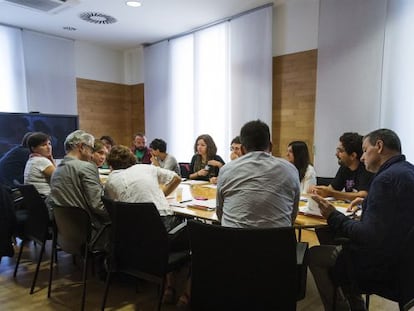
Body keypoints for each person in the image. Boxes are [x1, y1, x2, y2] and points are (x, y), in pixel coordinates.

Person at [308, 129, 414, 311]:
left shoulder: (385, 180)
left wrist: (333, 216)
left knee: (314, 255)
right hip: (406, 264)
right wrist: (367, 202)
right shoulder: (407, 171)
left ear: (379, 146)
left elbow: (368, 236)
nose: (363, 157)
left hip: (382, 266)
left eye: (365, 150)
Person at [104, 145, 186, 305]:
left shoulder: (110, 181)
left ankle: (167, 286)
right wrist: (161, 195)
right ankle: (180, 291)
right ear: (133, 160)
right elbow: (176, 178)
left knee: (160, 239)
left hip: (133, 244)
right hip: (162, 229)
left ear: (111, 165)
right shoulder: (145, 168)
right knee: (190, 230)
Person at [216, 120, 300, 228]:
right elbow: (292, 215)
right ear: (270, 146)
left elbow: (220, 214)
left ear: (242, 149)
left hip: (234, 242)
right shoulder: (290, 170)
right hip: (277, 242)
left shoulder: (226, 170)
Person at [47, 130, 110, 250]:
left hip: (66, 234)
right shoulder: (86, 167)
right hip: (91, 233)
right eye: (91, 149)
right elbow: (97, 205)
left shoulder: (57, 170)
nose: (92, 154)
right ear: (81, 147)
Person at [310, 132, 374, 201]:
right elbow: (331, 189)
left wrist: (331, 193)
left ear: (353, 156)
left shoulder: (367, 168)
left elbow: (362, 195)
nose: (336, 154)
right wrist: (318, 190)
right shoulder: (345, 167)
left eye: (340, 151)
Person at [23, 132, 56, 196]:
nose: (48, 147)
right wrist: (51, 159)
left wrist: (50, 159)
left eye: (49, 144)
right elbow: (60, 179)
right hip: (46, 199)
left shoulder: (32, 160)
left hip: (37, 199)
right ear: (33, 148)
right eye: (44, 145)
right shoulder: (41, 161)